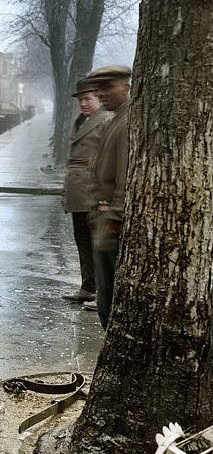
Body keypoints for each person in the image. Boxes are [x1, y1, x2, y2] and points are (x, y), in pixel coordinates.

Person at [85, 63, 132, 326]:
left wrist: (115, 217)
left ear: (126, 86)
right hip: (104, 218)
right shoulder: (115, 119)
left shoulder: (126, 121)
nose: (101, 94)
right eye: (98, 89)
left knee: (110, 296)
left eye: (107, 87)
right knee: (106, 291)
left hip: (113, 224)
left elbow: (125, 175)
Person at [61, 78, 110, 304]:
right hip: (78, 191)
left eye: (88, 99)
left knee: (98, 244)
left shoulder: (105, 121)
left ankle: (103, 293)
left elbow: (109, 160)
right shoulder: (82, 120)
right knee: (82, 241)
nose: (83, 103)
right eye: (81, 100)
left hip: (94, 190)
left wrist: (103, 195)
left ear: (99, 98)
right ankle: (88, 288)